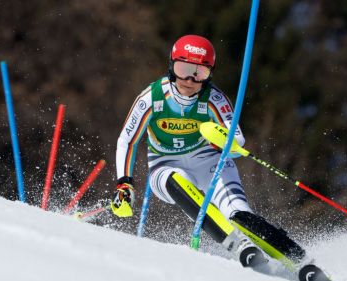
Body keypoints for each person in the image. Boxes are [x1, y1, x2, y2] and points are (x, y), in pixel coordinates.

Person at [110, 34, 329, 281]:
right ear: (171, 66)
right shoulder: (151, 98)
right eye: (183, 69)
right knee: (175, 179)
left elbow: (238, 142)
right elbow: (127, 140)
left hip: (209, 162)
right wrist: (124, 183)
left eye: (199, 73)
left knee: (238, 213)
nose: (190, 80)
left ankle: (301, 262)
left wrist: (222, 139)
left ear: (209, 74)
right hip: (165, 164)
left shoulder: (214, 98)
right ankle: (237, 244)